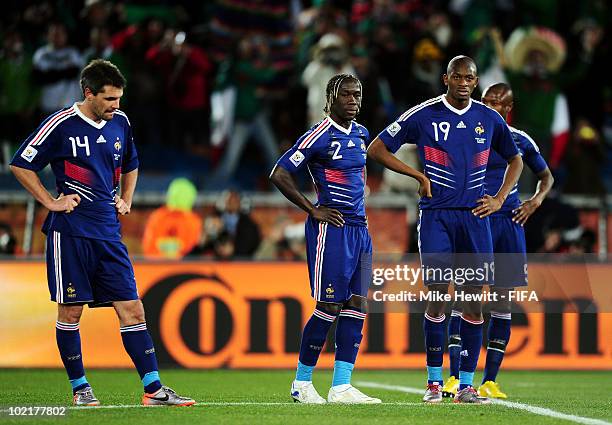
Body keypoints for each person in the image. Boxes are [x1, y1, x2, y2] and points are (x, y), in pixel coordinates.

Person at [9, 59, 194, 407]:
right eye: (109, 99)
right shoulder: (60, 124)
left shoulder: (120, 122)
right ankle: (81, 389)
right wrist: (50, 201)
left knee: (133, 308)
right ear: (89, 93)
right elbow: (21, 164)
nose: (116, 106)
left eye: (119, 99)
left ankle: (154, 390)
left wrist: (126, 198)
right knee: (71, 312)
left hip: (109, 232)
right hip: (72, 232)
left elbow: (132, 163)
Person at [368, 56, 523, 404]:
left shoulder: (489, 118)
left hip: (475, 218)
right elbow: (376, 148)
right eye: (458, 77)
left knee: (472, 302)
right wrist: (418, 176)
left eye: (471, 78)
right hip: (437, 216)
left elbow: (516, 160)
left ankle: (465, 385)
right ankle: (434, 383)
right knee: (438, 296)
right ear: (446, 79)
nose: (465, 83)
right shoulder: (423, 114)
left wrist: (499, 199)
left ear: (476, 81)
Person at [270, 73, 380, 404]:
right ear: (331, 96)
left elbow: (358, 177)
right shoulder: (318, 135)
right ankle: (302, 383)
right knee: (329, 304)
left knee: (357, 304)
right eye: (346, 95)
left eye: (358, 95)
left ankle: (341, 386)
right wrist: (312, 209)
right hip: (331, 230)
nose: (354, 101)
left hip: (360, 230)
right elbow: (279, 172)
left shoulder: (362, 134)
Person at [442, 82, 554, 400]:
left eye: (498, 102)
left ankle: (490, 380)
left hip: (507, 223)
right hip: (476, 218)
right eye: (487, 100)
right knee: (466, 297)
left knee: (502, 301)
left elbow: (547, 177)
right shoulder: (467, 131)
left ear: (508, 107)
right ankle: (454, 377)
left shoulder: (519, 139)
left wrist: (535, 201)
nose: (490, 105)